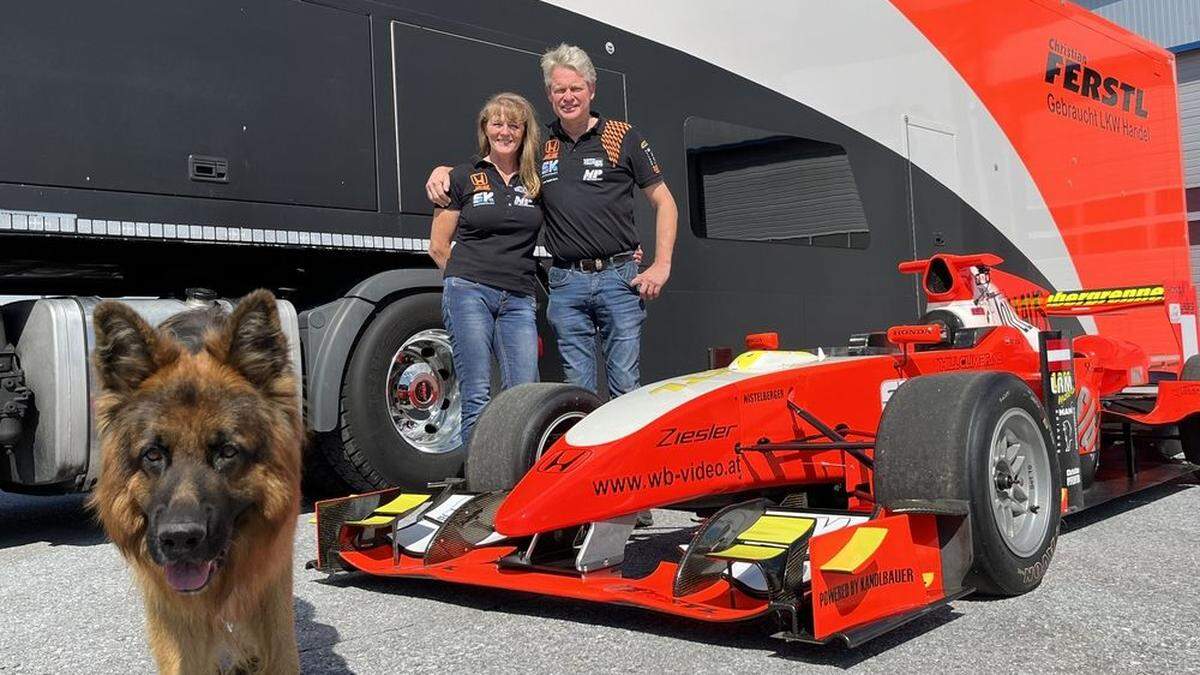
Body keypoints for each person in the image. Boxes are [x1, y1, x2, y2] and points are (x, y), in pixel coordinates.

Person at [427, 43, 678, 400]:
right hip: (566, 284)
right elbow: (494, 166)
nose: (568, 96)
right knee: (577, 392)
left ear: (592, 89)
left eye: (576, 88)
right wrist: (443, 172)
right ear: (549, 94)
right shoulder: (540, 145)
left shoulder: (623, 137)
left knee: (625, 388)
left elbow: (664, 200)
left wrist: (662, 264)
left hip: (619, 280)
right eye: (559, 89)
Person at [428, 92, 543, 449]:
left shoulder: (536, 184)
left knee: (524, 394)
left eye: (513, 124)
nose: (505, 131)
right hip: (470, 294)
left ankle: (517, 480)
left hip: (520, 298)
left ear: (525, 132)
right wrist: (466, 277)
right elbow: (438, 245)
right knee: (477, 393)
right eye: (497, 123)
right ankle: (481, 484)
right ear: (485, 128)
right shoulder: (462, 177)